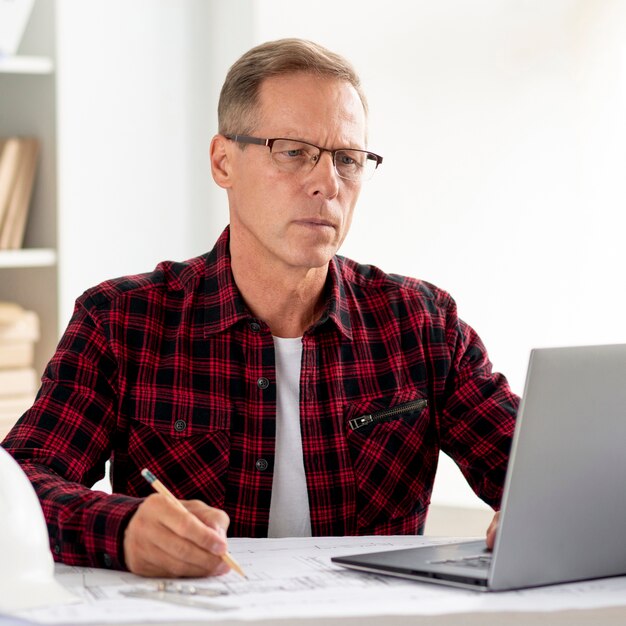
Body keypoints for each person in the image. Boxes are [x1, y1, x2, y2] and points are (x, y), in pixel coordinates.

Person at [2, 38, 518, 578]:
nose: (326, 183)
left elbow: (541, 473)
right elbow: (18, 485)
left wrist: (538, 512)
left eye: (348, 159)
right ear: (223, 162)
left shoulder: (422, 324)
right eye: (293, 151)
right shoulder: (121, 320)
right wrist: (125, 528)